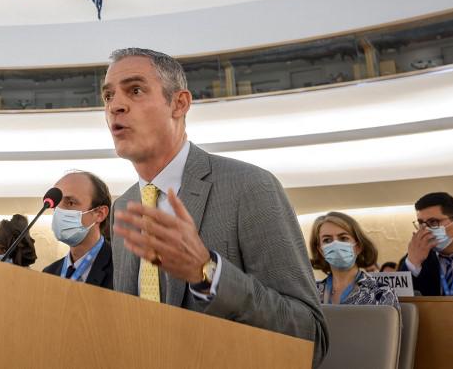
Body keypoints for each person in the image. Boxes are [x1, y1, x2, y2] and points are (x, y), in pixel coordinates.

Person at [105, 48, 328, 365]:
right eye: (108, 95)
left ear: (179, 104)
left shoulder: (251, 187)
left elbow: (310, 337)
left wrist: (207, 273)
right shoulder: (125, 205)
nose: (115, 106)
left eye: (135, 90)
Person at [309, 212, 398, 308]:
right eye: (327, 240)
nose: (335, 244)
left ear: (358, 246)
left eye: (343, 238)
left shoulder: (381, 293)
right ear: (320, 250)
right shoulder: (311, 292)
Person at [42, 170, 114, 289]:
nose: (59, 212)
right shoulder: (49, 273)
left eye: (70, 203)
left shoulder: (121, 270)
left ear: (100, 213)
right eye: (56, 205)